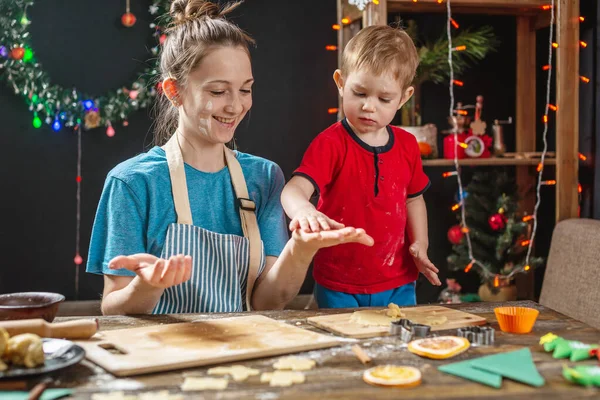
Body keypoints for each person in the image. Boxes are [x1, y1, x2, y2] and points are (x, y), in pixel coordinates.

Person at [86, 0, 373, 316]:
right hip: (163, 358)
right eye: (218, 92)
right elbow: (112, 310)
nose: (236, 106)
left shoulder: (264, 178)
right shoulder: (131, 182)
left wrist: (301, 250)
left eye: (245, 90)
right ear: (173, 91)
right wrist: (148, 286)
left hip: (241, 354)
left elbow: (268, 301)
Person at [281, 25, 441, 309]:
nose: (369, 106)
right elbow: (292, 191)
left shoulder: (406, 145)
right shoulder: (330, 143)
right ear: (341, 83)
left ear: (404, 97)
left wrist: (421, 243)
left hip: (399, 280)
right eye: (360, 93)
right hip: (339, 283)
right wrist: (304, 210)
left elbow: (414, 200)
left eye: (384, 99)